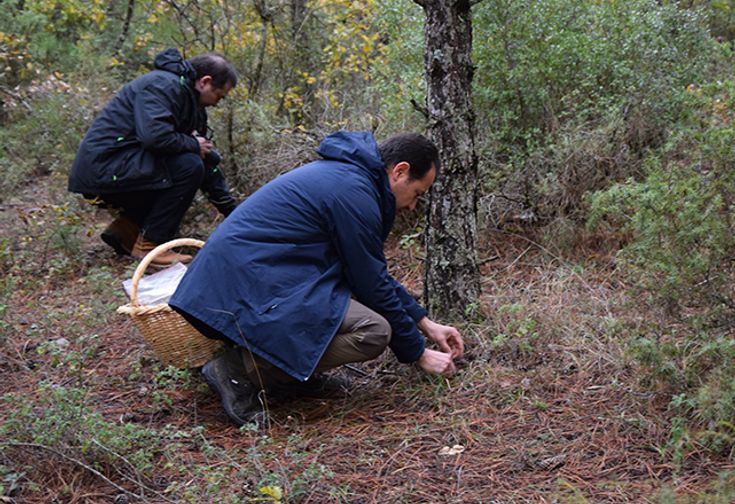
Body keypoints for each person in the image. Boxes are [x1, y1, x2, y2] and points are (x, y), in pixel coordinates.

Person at [169, 131, 465, 426]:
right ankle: (239, 369)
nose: (413, 206)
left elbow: (371, 273)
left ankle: (292, 373)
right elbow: (371, 285)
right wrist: (417, 352)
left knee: (342, 306)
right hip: (246, 283)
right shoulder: (354, 193)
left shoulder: (352, 180)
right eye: (418, 194)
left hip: (251, 279)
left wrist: (424, 323)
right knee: (373, 331)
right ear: (400, 171)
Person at [68, 48, 238, 266]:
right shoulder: (162, 85)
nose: (217, 103)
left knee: (192, 162)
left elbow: (205, 161)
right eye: (219, 95)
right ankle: (151, 246)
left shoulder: (191, 104)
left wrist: (232, 211)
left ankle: (126, 231)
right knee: (188, 166)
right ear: (205, 82)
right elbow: (155, 138)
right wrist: (192, 145)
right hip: (102, 170)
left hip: (120, 168)